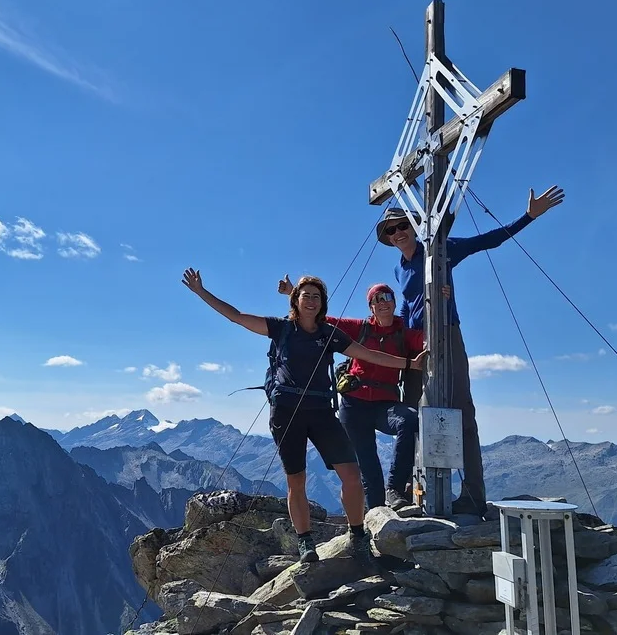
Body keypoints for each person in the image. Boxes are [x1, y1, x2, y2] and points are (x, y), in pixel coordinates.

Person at [181, 268, 427, 563]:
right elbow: (236, 316)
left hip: (322, 411)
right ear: (295, 300)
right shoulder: (280, 328)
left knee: (351, 475)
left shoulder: (328, 333)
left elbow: (367, 354)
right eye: (306, 296)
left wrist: (409, 365)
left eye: (317, 297)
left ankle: (357, 534)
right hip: (287, 412)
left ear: (323, 303)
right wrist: (201, 292)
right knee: (296, 480)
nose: (311, 301)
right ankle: (305, 542)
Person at [377, 185, 565, 516]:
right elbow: (406, 306)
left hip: (446, 334)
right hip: (416, 341)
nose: (397, 233)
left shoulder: (440, 248)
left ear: (414, 225)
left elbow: (487, 241)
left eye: (402, 225)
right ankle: (412, 490)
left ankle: (472, 494)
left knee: (461, 410)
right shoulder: (399, 269)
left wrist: (529, 217)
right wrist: (400, 339)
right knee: (410, 411)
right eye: (390, 231)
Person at [277, 277, 441, 512]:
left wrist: (442, 302)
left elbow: (430, 340)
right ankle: (377, 519)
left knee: (409, 420)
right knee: (368, 467)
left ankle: (394, 489)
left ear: (394, 303)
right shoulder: (359, 328)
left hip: (385, 405)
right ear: (371, 307)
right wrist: (293, 293)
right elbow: (322, 320)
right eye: (376, 299)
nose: (382, 302)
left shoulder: (404, 333)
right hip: (354, 406)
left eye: (387, 297)